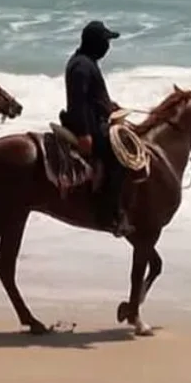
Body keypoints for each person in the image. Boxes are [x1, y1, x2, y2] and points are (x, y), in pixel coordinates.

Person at [61, 20, 129, 236]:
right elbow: (78, 103)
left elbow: (91, 98)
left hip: (93, 121)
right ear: (96, 44)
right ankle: (109, 213)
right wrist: (84, 135)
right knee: (120, 158)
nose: (108, 47)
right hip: (88, 127)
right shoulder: (82, 66)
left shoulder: (85, 61)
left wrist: (109, 107)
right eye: (105, 42)